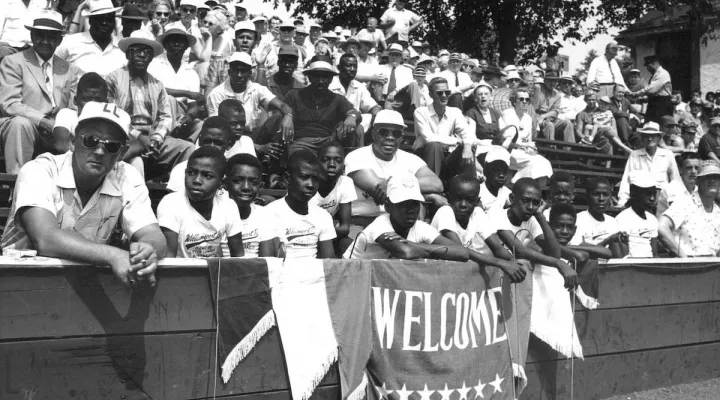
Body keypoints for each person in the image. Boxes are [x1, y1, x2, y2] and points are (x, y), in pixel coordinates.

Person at [1, 102, 165, 287]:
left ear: (122, 152)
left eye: (111, 146)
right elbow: (45, 239)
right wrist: (112, 255)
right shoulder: (40, 170)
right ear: (72, 141)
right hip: (17, 281)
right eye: (90, 140)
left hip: (80, 281)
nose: (99, 151)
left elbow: (153, 235)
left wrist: (146, 251)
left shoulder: (126, 176)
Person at [0, 11, 82, 174]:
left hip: (57, 129)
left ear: (59, 40)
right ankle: (17, 187)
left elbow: (73, 107)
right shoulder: (13, 62)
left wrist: (60, 124)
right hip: (24, 124)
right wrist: (43, 121)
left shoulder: (69, 69)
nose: (45, 41)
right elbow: (10, 104)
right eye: (40, 35)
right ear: (31, 35)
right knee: (19, 124)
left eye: (51, 37)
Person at [107, 31, 194, 179]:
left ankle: (176, 192)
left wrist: (155, 140)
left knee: (188, 149)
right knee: (136, 163)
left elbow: (165, 117)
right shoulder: (113, 79)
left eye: (147, 52)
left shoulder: (157, 85)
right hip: (124, 137)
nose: (142, 55)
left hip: (152, 137)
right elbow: (112, 114)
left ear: (152, 58)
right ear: (128, 54)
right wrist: (139, 137)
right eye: (137, 51)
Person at [343, 173, 469, 261]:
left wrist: (413, 245)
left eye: (414, 203)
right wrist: (416, 248)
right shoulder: (380, 224)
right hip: (353, 277)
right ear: (388, 206)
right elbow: (405, 252)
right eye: (403, 204)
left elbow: (462, 252)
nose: (411, 210)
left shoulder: (419, 227)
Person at [344, 109, 444, 219]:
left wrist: (391, 183)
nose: (390, 137)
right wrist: (428, 195)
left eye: (396, 133)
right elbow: (379, 188)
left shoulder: (410, 159)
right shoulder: (357, 156)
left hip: (397, 222)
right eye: (383, 132)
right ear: (373, 134)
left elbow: (436, 184)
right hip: (363, 219)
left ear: (401, 137)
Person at [431, 173, 527, 282]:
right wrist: (501, 263)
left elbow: (497, 248)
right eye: (458, 199)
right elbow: (460, 251)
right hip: (438, 274)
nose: (463, 204)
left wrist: (513, 263)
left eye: (470, 200)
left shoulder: (477, 213)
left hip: (457, 274)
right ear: (448, 198)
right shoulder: (445, 212)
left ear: (477, 201)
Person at [158, 146, 244, 258]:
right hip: (178, 272)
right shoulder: (171, 203)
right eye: (191, 172)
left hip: (213, 273)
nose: (197, 180)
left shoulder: (228, 206)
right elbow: (168, 257)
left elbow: (238, 255)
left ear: (222, 183)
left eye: (207, 176)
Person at [491, 178, 577, 288]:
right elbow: (519, 251)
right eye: (525, 200)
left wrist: (540, 216)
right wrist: (559, 263)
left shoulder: (532, 219)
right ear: (512, 199)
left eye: (536, 202)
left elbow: (555, 253)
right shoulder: (496, 215)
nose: (531, 207)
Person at [265, 150, 337, 259]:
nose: (311, 185)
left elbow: (330, 263)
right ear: (288, 178)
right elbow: (269, 263)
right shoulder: (270, 213)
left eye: (316, 179)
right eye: (304, 177)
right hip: (282, 273)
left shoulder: (323, 216)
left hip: (314, 275)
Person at [281, 59, 361, 153]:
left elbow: (354, 112)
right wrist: (288, 115)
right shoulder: (295, 95)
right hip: (301, 141)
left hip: (328, 141)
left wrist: (352, 116)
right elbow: (283, 107)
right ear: (309, 77)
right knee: (300, 162)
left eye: (325, 77)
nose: (321, 81)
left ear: (331, 79)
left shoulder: (337, 99)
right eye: (317, 76)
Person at [206, 51, 294, 135]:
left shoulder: (256, 89)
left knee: (277, 117)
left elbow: (282, 105)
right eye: (236, 70)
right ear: (229, 72)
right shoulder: (217, 94)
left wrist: (288, 116)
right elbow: (217, 126)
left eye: (243, 71)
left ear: (250, 73)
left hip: (254, 135)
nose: (239, 75)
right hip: (229, 137)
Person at [167, 115, 254, 193]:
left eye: (218, 143)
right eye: (207, 141)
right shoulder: (181, 170)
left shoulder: (235, 173)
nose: (211, 147)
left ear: (229, 145)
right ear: (200, 141)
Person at [413, 77, 474, 180]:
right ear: (431, 95)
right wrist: (457, 140)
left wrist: (467, 147)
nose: (444, 96)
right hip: (425, 156)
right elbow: (429, 138)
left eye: (447, 92)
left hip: (446, 156)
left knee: (470, 147)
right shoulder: (421, 112)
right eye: (440, 93)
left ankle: (469, 187)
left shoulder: (455, 112)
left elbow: (467, 133)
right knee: (434, 146)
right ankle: (432, 186)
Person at [148, 28, 204, 138]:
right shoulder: (154, 65)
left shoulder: (191, 73)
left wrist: (189, 117)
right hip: (157, 112)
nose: (177, 44)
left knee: (200, 124)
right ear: (165, 44)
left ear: (186, 46)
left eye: (181, 41)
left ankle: (187, 146)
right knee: (169, 100)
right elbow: (156, 90)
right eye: (173, 41)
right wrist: (187, 93)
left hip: (181, 114)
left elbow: (193, 104)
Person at [658, 160, 720, 257]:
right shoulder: (685, 203)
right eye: (707, 177)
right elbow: (661, 227)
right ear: (698, 181)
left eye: (716, 177)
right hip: (688, 267)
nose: (712, 181)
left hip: (712, 266)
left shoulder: (717, 211)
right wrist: (683, 257)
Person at [223, 153, 278, 257]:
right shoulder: (215, 215)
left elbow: (266, 261)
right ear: (225, 183)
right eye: (238, 181)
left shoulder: (264, 215)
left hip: (256, 271)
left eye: (253, 182)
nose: (246, 187)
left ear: (260, 186)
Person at [55, 0, 127, 76]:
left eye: (109, 19)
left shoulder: (122, 47)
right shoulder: (71, 42)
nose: (104, 23)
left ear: (114, 22)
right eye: (100, 18)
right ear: (90, 21)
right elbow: (52, 64)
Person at [618, 121, 680, 207]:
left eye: (653, 136)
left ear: (659, 138)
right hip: (640, 199)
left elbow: (675, 180)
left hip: (662, 200)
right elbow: (626, 180)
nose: (650, 139)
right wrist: (622, 200)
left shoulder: (667, 155)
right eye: (646, 136)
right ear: (642, 138)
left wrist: (674, 201)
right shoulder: (635, 155)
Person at [499, 88, 553, 185]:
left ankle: (538, 191)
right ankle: (516, 181)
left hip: (524, 152)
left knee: (545, 163)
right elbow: (506, 139)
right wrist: (521, 146)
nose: (524, 102)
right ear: (514, 101)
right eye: (521, 99)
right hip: (509, 151)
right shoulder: (507, 114)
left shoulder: (528, 118)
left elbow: (529, 140)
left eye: (527, 100)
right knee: (535, 163)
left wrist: (532, 148)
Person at [310, 142, 357, 253]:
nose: (332, 164)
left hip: (326, 234)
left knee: (351, 247)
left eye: (338, 160)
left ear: (343, 165)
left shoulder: (345, 182)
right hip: (303, 234)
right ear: (317, 162)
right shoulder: (308, 183)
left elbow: (345, 227)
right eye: (326, 159)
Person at [330, 52, 381, 140]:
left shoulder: (359, 86)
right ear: (339, 68)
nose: (352, 69)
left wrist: (376, 113)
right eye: (349, 66)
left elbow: (372, 106)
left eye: (355, 66)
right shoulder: (330, 85)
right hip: (333, 125)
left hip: (354, 125)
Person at [574, 177, 627, 258]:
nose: (601, 199)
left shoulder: (613, 222)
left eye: (605, 195)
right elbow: (581, 251)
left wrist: (624, 243)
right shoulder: (578, 220)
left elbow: (620, 256)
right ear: (588, 196)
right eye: (596, 194)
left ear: (610, 196)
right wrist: (608, 240)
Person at [616, 171, 660, 258]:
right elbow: (623, 256)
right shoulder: (622, 219)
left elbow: (654, 254)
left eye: (654, 194)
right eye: (647, 194)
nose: (652, 198)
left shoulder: (652, 220)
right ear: (634, 193)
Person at [628, 55, 672, 124]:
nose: (648, 69)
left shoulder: (663, 73)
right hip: (655, 102)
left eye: (648, 67)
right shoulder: (656, 74)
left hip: (662, 103)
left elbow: (651, 89)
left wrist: (636, 94)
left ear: (653, 64)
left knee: (660, 124)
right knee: (650, 124)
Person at [534, 72, 576, 143]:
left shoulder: (556, 94)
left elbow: (555, 111)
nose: (552, 83)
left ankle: (570, 149)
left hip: (549, 118)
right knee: (549, 125)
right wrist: (539, 117)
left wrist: (544, 116)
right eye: (550, 80)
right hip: (536, 118)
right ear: (545, 80)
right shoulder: (538, 89)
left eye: (554, 81)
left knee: (568, 123)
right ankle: (551, 148)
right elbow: (532, 107)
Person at [656, 152, 700, 216]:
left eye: (696, 168)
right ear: (680, 169)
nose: (693, 171)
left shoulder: (700, 190)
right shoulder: (670, 190)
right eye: (689, 168)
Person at [478, 147, 512, 213]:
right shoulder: (479, 191)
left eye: (504, 171)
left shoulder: (505, 192)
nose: (501, 175)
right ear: (485, 171)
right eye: (496, 170)